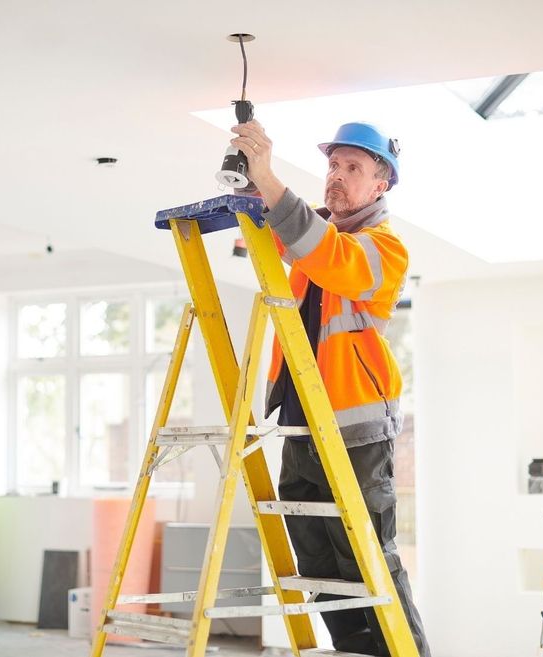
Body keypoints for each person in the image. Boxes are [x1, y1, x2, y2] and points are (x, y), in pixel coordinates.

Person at [229, 120, 430, 657]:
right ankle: (356, 650)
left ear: (380, 185)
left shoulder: (384, 250)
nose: (336, 178)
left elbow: (328, 257)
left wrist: (271, 180)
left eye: (353, 169)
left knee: (364, 553)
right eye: (334, 166)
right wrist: (250, 179)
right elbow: (267, 238)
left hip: (354, 429)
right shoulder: (314, 234)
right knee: (316, 557)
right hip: (300, 422)